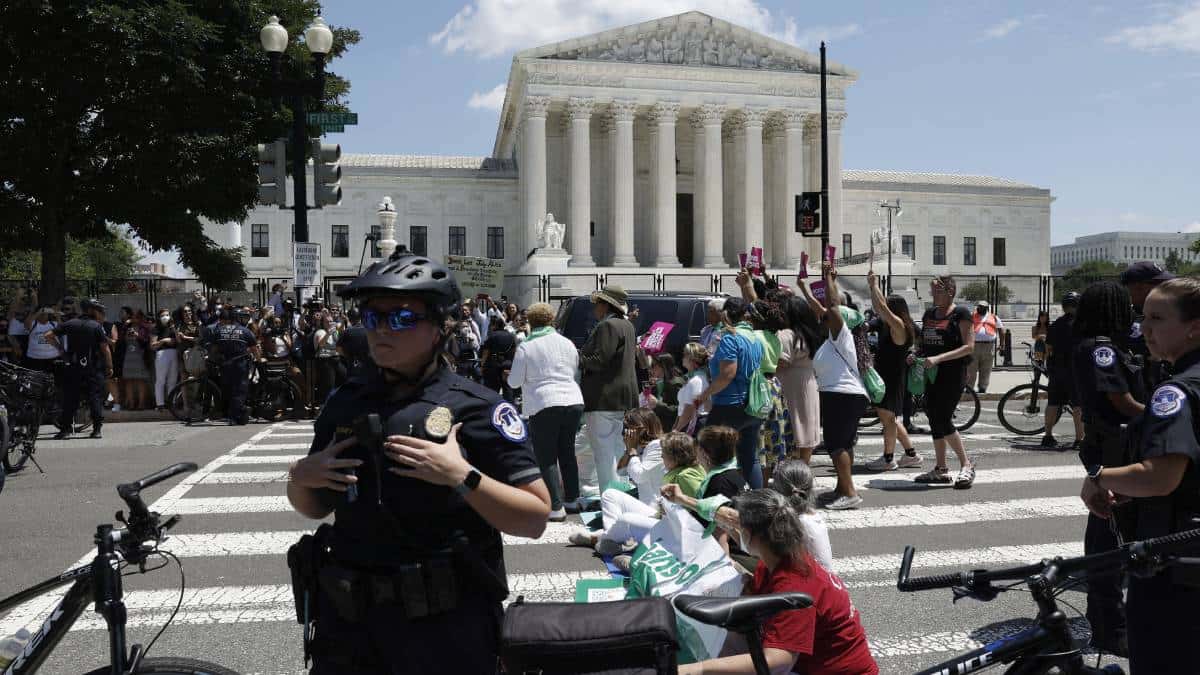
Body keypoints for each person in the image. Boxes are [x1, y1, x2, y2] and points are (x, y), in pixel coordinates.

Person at [285, 251, 549, 674]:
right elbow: (316, 505)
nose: (382, 330)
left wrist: (461, 475)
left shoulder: (477, 408)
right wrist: (299, 477)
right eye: (371, 318)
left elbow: (535, 517)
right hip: (350, 626)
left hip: (444, 630)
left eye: (402, 318)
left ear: (440, 329)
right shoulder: (346, 401)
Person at [1079, 277, 1200, 675]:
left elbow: (1159, 477)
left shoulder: (1177, 392)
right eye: (1142, 316)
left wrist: (1100, 478)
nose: (1143, 328)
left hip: (1175, 568)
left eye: (1157, 318)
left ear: (1193, 327)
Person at [678, 489, 878, 675]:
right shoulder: (785, 555)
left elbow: (777, 660)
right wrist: (684, 500)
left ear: (748, 535)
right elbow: (735, 521)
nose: (733, 529)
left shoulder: (793, 587)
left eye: (738, 528)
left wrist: (698, 668)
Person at [1071, 281, 1145, 656]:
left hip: (1113, 445)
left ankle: (1108, 623)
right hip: (1113, 446)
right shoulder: (1101, 348)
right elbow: (1121, 399)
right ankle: (1109, 628)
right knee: (1108, 541)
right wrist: (1164, 417)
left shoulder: (1101, 345)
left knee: (1110, 540)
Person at [799, 263, 869, 509]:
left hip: (842, 394)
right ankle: (842, 486)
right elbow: (821, 308)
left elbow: (830, 306)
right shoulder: (834, 338)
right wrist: (802, 287)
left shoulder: (842, 336)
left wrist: (829, 278)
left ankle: (850, 493)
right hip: (842, 394)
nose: (824, 316)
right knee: (844, 443)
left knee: (836, 444)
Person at [507, 302, 585, 521]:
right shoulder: (567, 343)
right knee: (567, 452)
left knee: (546, 456)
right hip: (573, 399)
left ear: (531, 322)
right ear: (551, 320)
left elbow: (514, 382)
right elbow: (574, 369)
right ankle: (572, 498)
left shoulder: (526, 346)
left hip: (544, 402)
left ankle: (555, 506)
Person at [569, 408, 665, 557]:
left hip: (657, 513)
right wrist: (629, 450)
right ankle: (607, 538)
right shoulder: (643, 448)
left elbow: (639, 475)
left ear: (642, 429)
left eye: (628, 428)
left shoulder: (657, 446)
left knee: (619, 512)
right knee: (610, 495)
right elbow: (621, 471)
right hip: (650, 510)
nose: (624, 432)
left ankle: (603, 538)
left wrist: (632, 451)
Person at [912, 276, 976, 488]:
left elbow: (968, 347)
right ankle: (941, 469)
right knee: (932, 417)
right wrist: (915, 353)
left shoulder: (961, 314)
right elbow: (924, 342)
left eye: (937, 291)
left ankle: (966, 464)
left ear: (950, 291)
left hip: (952, 373)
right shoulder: (930, 314)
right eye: (932, 291)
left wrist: (939, 358)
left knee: (942, 418)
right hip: (931, 374)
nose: (933, 295)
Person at [694, 298, 765, 489]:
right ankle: (760, 499)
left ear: (726, 314)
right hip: (752, 404)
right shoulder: (755, 338)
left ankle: (715, 494)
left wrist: (705, 394)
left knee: (707, 450)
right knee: (750, 457)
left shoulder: (730, 338)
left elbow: (727, 374)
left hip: (729, 404)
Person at [579, 285, 639, 494]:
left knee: (604, 453)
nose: (595, 308)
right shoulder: (627, 325)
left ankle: (610, 498)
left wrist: (575, 357)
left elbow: (599, 360)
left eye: (597, 303)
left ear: (605, 305)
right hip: (620, 397)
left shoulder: (608, 326)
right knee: (614, 449)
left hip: (604, 396)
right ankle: (619, 493)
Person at [865, 271, 921, 472]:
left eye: (888, 306)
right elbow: (878, 307)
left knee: (887, 419)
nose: (883, 309)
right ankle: (911, 454)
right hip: (889, 375)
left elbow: (880, 308)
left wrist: (873, 285)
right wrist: (873, 288)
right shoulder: (894, 324)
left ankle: (888, 459)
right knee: (892, 419)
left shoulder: (899, 325)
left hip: (891, 377)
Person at [46, 299, 112, 440]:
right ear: (91, 310)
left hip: (73, 366)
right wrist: (109, 366)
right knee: (94, 397)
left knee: (70, 398)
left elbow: (48, 336)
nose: (100, 313)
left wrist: (61, 351)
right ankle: (96, 430)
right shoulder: (96, 326)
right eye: (98, 310)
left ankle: (65, 430)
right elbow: (105, 348)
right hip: (92, 367)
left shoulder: (70, 323)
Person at [777, 297, 822, 462]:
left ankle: (794, 469)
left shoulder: (786, 335)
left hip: (790, 382)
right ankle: (804, 466)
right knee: (807, 423)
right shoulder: (811, 333)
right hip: (809, 380)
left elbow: (782, 362)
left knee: (793, 425)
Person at [1121, 261, 1175, 396]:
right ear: (1139, 287)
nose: (1166, 288)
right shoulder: (1121, 320)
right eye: (1159, 284)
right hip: (1136, 394)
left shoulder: (1174, 316)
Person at [1043, 292, 1085, 449]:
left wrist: (1050, 366)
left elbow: (1048, 348)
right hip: (1075, 370)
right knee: (1077, 406)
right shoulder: (1081, 325)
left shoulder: (1055, 324)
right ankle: (1079, 439)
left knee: (1053, 403)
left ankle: (1047, 436)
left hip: (1056, 370)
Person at [208, 308, 260, 425]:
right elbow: (254, 348)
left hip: (225, 365)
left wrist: (213, 359)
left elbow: (213, 349)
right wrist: (259, 360)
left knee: (229, 391)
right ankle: (236, 416)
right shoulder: (245, 331)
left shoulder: (219, 331)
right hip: (240, 365)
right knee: (240, 391)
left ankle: (233, 415)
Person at [673, 342, 711, 435]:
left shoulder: (696, 381)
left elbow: (690, 409)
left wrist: (676, 430)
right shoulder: (693, 378)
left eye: (685, 355)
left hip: (691, 426)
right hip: (686, 423)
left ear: (692, 360)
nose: (682, 357)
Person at [966, 300, 1003, 393]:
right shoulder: (971, 316)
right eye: (978, 307)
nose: (979, 308)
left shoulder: (994, 317)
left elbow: (1001, 330)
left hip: (989, 346)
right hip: (974, 345)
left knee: (986, 368)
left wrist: (1002, 344)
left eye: (982, 307)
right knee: (971, 368)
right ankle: (969, 388)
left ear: (986, 308)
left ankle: (982, 387)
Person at [644, 353, 685, 432]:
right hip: (659, 424)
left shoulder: (676, 384)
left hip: (670, 428)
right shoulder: (660, 381)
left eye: (653, 365)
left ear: (663, 367)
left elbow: (680, 410)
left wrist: (658, 404)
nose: (651, 369)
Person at [150, 308, 181, 411]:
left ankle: (171, 402)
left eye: (167, 315)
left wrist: (173, 332)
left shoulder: (173, 328)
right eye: (163, 315)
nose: (165, 317)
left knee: (172, 380)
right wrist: (163, 340)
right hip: (161, 354)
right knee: (160, 380)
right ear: (159, 317)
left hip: (174, 353)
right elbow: (153, 346)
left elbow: (177, 341)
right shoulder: (156, 329)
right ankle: (160, 404)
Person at [480, 316, 517, 400]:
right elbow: (514, 351)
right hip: (507, 364)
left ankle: (494, 408)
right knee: (507, 388)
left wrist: (482, 365)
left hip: (493, 365)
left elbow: (486, 352)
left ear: (494, 325)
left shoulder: (492, 336)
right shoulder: (511, 336)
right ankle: (509, 407)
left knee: (492, 389)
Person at [22, 306, 61, 373]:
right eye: (41, 314)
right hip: (35, 358)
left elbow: (62, 329)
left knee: (52, 379)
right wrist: (38, 312)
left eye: (45, 314)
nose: (43, 315)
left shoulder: (54, 324)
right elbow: (27, 324)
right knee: (36, 379)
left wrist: (57, 315)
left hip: (53, 357)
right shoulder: (33, 324)